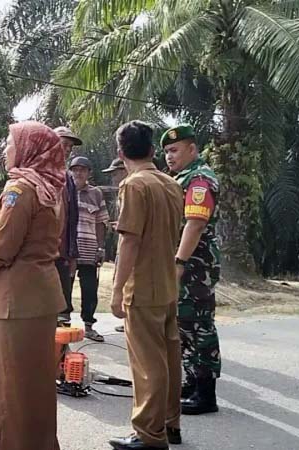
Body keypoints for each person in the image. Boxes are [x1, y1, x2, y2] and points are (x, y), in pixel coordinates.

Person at [0, 121, 66, 450]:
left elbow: (3, 248)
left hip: (15, 300)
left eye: (10, 143)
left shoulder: (20, 191)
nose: (6, 150)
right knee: (35, 384)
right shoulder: (51, 190)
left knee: (7, 387)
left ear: (28, 149)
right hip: (41, 296)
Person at [109, 121, 184, 450]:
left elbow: (129, 242)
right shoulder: (171, 184)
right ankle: (169, 424)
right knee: (168, 357)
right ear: (153, 150)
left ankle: (148, 435)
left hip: (143, 287)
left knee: (146, 364)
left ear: (120, 152)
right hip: (167, 284)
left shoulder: (133, 185)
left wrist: (115, 289)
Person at [162, 124, 222, 414]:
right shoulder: (181, 178)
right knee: (183, 324)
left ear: (192, 148)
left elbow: (195, 223)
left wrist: (179, 262)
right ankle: (190, 382)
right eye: (166, 152)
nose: (169, 157)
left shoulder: (199, 179)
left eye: (174, 150)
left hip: (196, 265)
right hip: (188, 262)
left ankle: (205, 393)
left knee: (198, 325)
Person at [68, 156, 110, 342]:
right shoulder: (63, 190)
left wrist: (100, 248)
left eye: (82, 170)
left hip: (89, 249)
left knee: (90, 289)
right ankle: (62, 326)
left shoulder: (96, 193)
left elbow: (101, 222)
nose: (78, 173)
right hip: (68, 249)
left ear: (89, 173)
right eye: (75, 169)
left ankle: (89, 326)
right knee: (64, 286)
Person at [53, 126, 80, 325]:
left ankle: (61, 354)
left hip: (62, 253)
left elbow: (72, 218)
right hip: (43, 253)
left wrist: (72, 253)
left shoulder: (68, 178)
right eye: (64, 144)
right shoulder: (40, 172)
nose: (68, 149)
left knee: (63, 311)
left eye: (70, 146)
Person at [103, 157, 128, 333]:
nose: (113, 178)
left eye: (115, 173)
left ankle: (130, 319)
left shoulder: (131, 187)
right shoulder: (124, 189)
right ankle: (128, 320)